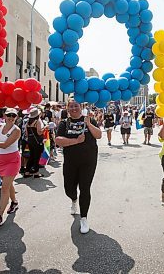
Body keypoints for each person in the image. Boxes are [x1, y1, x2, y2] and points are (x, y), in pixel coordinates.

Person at [56, 98, 102, 234]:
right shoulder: (64, 123)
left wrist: (89, 124)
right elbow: (58, 140)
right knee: (69, 189)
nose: (73, 108)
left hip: (88, 161)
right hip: (70, 162)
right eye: (71, 106)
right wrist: (75, 141)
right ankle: (73, 199)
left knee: (85, 188)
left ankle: (84, 218)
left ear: (81, 107)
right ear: (67, 108)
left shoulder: (89, 120)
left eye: (76, 105)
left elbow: (98, 135)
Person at [24, 108, 44, 178]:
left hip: (30, 141)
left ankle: (27, 172)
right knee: (37, 157)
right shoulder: (37, 122)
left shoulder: (28, 122)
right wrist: (45, 128)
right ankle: (36, 172)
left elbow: (26, 133)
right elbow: (39, 132)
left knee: (31, 156)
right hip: (37, 141)